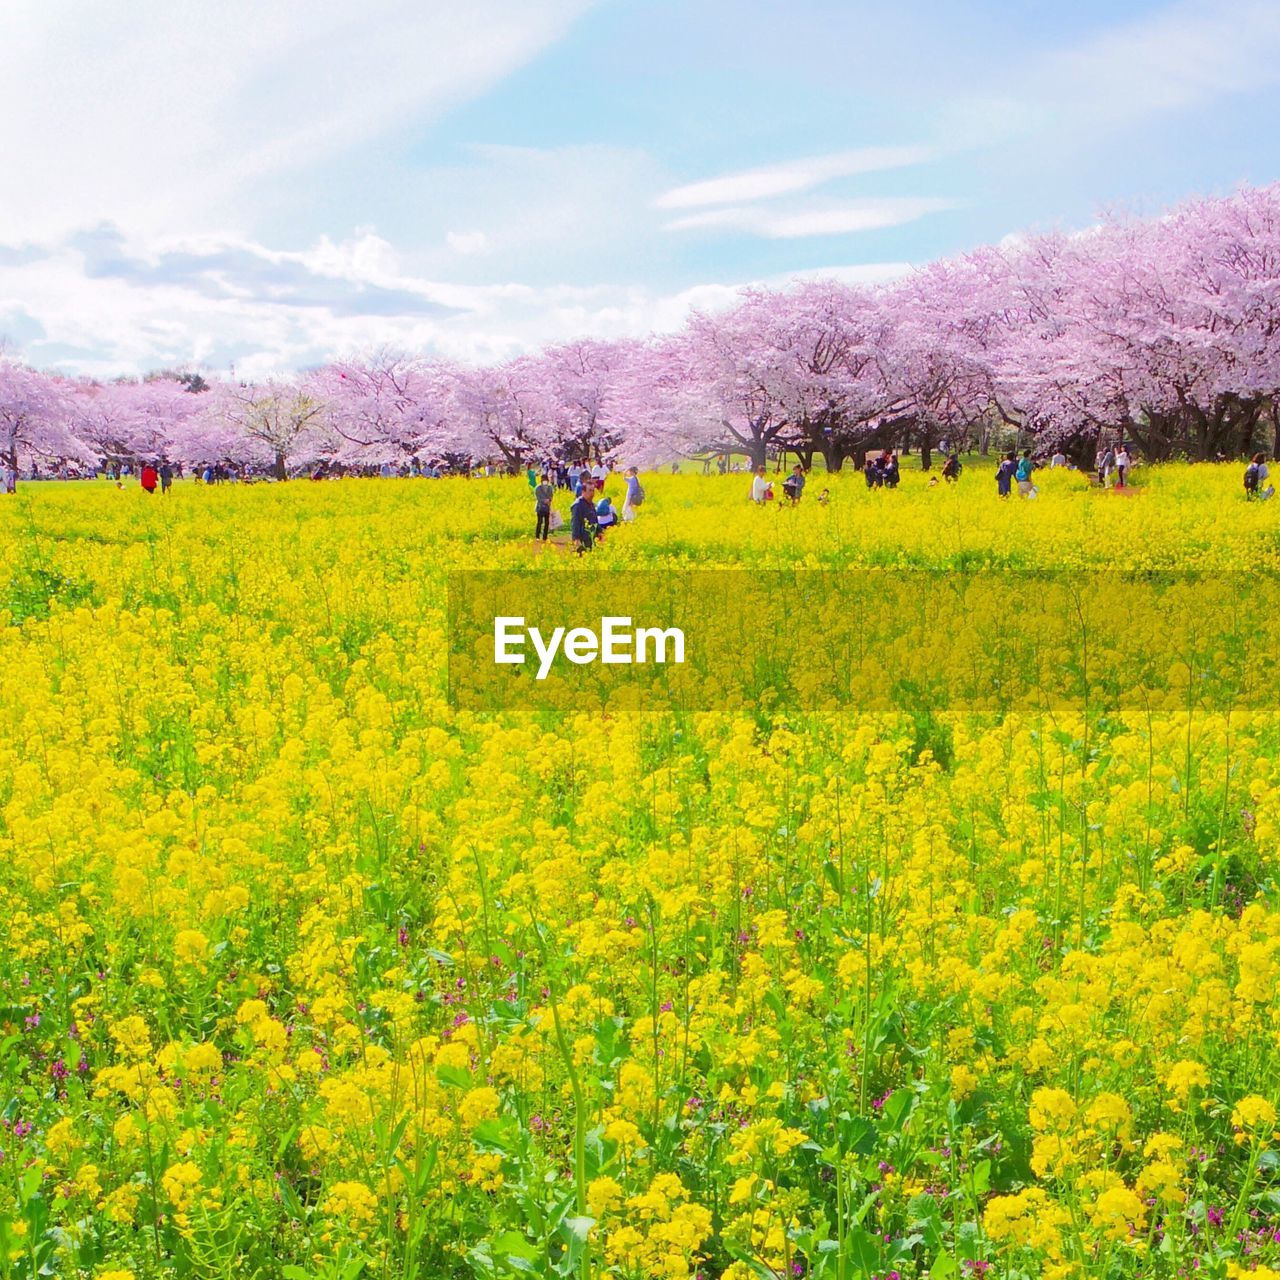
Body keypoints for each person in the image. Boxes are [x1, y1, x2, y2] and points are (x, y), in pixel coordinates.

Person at [570, 483, 599, 553]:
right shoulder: (578, 505)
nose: (592, 493)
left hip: (592, 538)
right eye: (590, 490)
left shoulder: (591, 505)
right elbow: (575, 523)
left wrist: (600, 532)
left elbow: (595, 521)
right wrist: (576, 539)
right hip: (582, 539)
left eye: (593, 490)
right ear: (583, 492)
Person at [534, 473, 555, 541]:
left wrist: (549, 500)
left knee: (547, 522)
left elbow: (551, 495)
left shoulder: (550, 487)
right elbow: (538, 497)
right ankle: (537, 536)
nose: (544, 481)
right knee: (539, 522)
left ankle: (545, 537)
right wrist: (544, 501)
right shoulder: (538, 488)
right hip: (540, 507)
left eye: (545, 479)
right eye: (543, 480)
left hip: (547, 507)